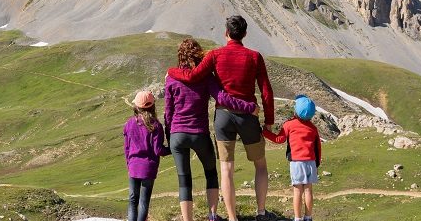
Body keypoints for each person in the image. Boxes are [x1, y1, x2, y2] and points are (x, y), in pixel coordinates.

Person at [167, 15, 276, 221]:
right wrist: (268, 120)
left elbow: (191, 76)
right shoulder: (254, 56)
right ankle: (261, 212)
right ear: (244, 34)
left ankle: (232, 217)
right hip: (248, 116)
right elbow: (266, 91)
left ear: (226, 33)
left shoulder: (215, 55)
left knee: (226, 169)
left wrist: (171, 70)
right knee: (260, 164)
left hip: (223, 117)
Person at [262, 95, 321, 221]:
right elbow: (318, 148)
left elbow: (279, 139)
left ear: (295, 111)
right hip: (310, 161)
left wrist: (265, 133)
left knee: (297, 191)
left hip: (296, 162)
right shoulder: (313, 128)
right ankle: (308, 217)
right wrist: (317, 164)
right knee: (308, 190)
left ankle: (297, 218)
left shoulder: (289, 125)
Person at [124, 90, 170, 221]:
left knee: (133, 200)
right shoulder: (156, 125)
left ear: (136, 107)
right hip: (148, 169)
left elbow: (126, 148)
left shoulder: (129, 124)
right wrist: (172, 149)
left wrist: (129, 164)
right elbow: (158, 150)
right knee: (143, 202)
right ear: (153, 106)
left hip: (133, 167)